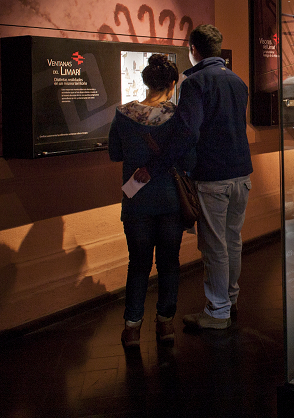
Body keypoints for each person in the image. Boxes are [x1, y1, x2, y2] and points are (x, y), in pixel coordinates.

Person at [136, 24, 253, 330]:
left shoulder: (195, 82)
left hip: (213, 176)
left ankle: (217, 312)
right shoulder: (237, 81)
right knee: (233, 241)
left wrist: (157, 165)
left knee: (214, 247)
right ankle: (230, 299)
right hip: (242, 174)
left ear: (193, 50)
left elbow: (188, 132)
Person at [108, 54, 188, 347]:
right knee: (169, 263)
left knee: (138, 263)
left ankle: (132, 327)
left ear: (145, 82)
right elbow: (189, 158)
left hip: (136, 202)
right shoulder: (178, 117)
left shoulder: (123, 114)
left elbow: (115, 153)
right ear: (172, 84)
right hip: (170, 201)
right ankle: (165, 323)